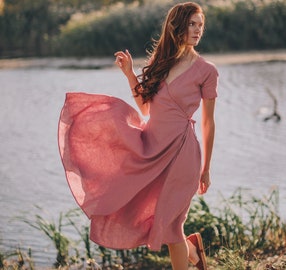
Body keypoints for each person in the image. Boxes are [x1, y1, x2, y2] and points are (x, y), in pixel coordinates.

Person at [58, 2, 218, 270]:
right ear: (177, 26)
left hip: (182, 152)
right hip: (151, 148)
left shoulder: (207, 70)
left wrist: (207, 169)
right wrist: (130, 74)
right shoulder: (160, 62)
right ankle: (192, 249)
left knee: (171, 224)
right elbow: (145, 108)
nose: (197, 30)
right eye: (192, 24)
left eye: (201, 25)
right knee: (156, 219)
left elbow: (209, 122)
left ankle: (190, 251)